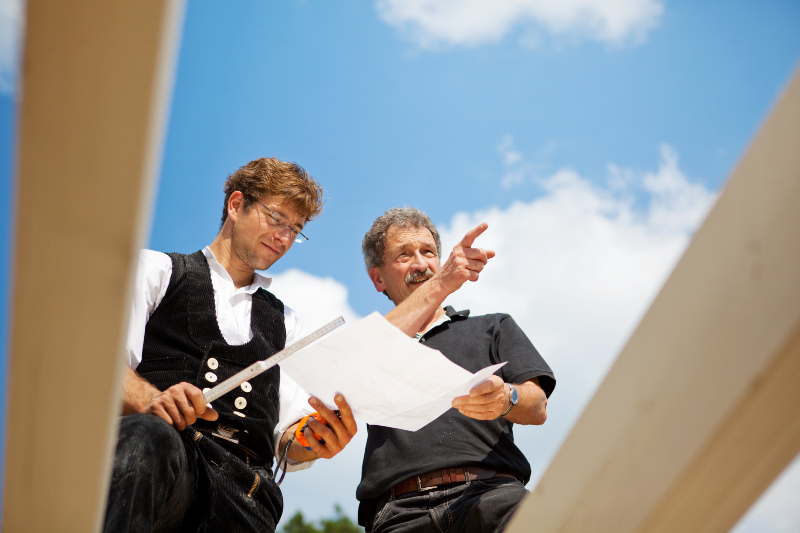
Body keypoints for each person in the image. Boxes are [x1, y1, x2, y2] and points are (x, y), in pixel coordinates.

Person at [104, 157, 358, 533]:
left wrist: (317, 440)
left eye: (296, 230)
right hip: (167, 462)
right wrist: (150, 399)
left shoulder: (287, 323)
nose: (284, 237)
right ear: (236, 205)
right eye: (276, 218)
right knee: (147, 436)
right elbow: (102, 362)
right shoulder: (157, 271)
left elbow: (290, 436)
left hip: (246, 496)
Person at [357, 207, 556, 533]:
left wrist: (506, 397)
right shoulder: (367, 345)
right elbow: (358, 365)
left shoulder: (493, 326)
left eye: (428, 252)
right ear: (378, 278)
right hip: (399, 514)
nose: (420, 264)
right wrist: (443, 282)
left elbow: (538, 407)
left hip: (492, 497)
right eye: (404, 255)